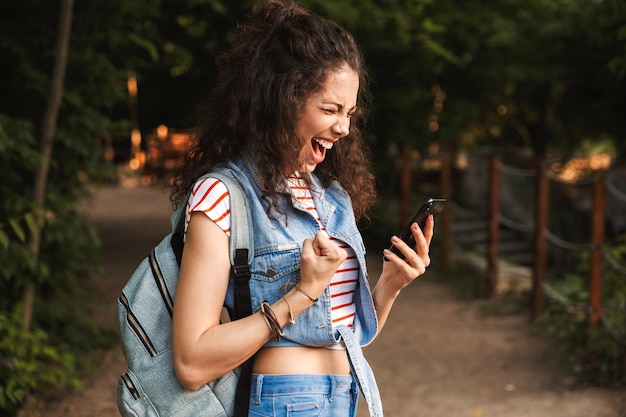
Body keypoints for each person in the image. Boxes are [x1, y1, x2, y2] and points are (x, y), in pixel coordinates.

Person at [169, 1, 434, 416]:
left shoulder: (331, 195)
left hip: (344, 397)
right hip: (285, 403)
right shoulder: (222, 196)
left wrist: (390, 286)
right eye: (329, 110)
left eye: (348, 113)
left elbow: (340, 335)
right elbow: (191, 361)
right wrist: (304, 292)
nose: (344, 127)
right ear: (282, 101)